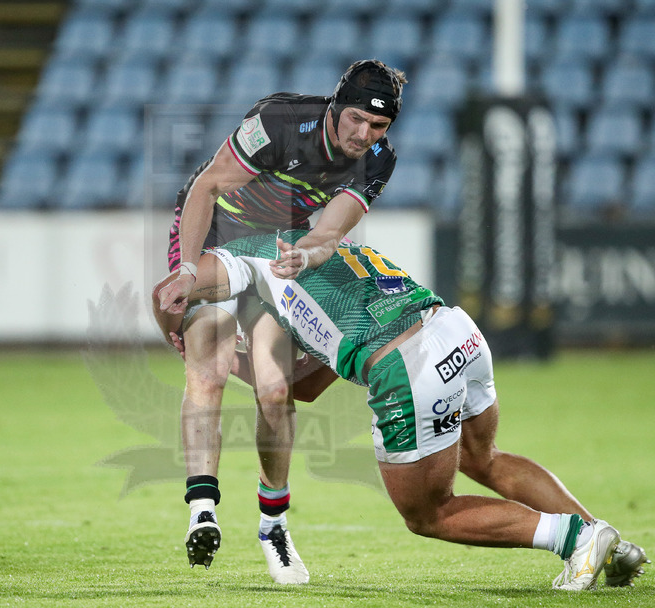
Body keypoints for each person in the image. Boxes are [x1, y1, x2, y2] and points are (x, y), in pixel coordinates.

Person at [153, 230, 649, 591]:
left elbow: (171, 291)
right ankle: (611, 547)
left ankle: (575, 538)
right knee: (484, 458)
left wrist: (186, 344)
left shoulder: (247, 261)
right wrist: (248, 365)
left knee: (428, 513)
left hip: (409, 366)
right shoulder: (321, 253)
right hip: (457, 332)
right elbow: (308, 386)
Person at [156, 59, 407, 582]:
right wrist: (183, 269)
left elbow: (329, 231)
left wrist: (307, 258)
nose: (365, 134)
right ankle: (202, 509)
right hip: (217, 238)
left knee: (274, 392)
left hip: (277, 251)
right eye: (357, 119)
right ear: (337, 108)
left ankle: (274, 523)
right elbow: (207, 188)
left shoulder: (379, 159)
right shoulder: (280, 122)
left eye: (378, 126)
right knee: (211, 367)